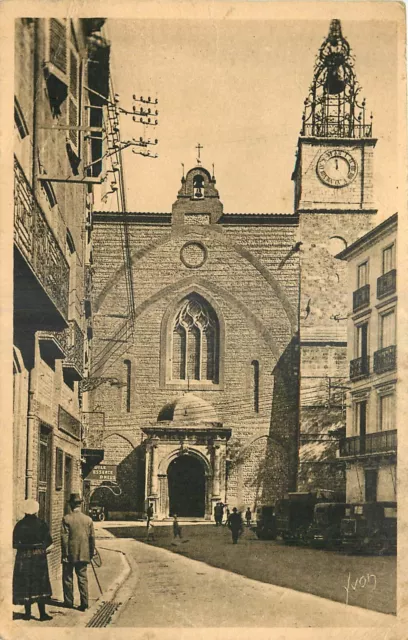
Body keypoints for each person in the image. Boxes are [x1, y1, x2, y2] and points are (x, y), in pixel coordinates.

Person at [13, 498, 54, 621]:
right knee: (39, 582)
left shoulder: (19, 525)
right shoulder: (42, 524)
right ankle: (42, 614)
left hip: (23, 557)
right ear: (36, 510)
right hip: (38, 557)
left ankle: (27, 614)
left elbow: (14, 543)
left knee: (25, 582)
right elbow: (50, 544)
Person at [61, 493, 95, 611]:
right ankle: (84, 603)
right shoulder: (88, 520)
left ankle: (69, 602)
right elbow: (92, 539)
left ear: (71, 504)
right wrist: (90, 554)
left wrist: (64, 554)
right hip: (83, 554)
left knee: (67, 578)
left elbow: (64, 538)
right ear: (80, 505)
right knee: (82, 578)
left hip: (70, 555)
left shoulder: (67, 518)